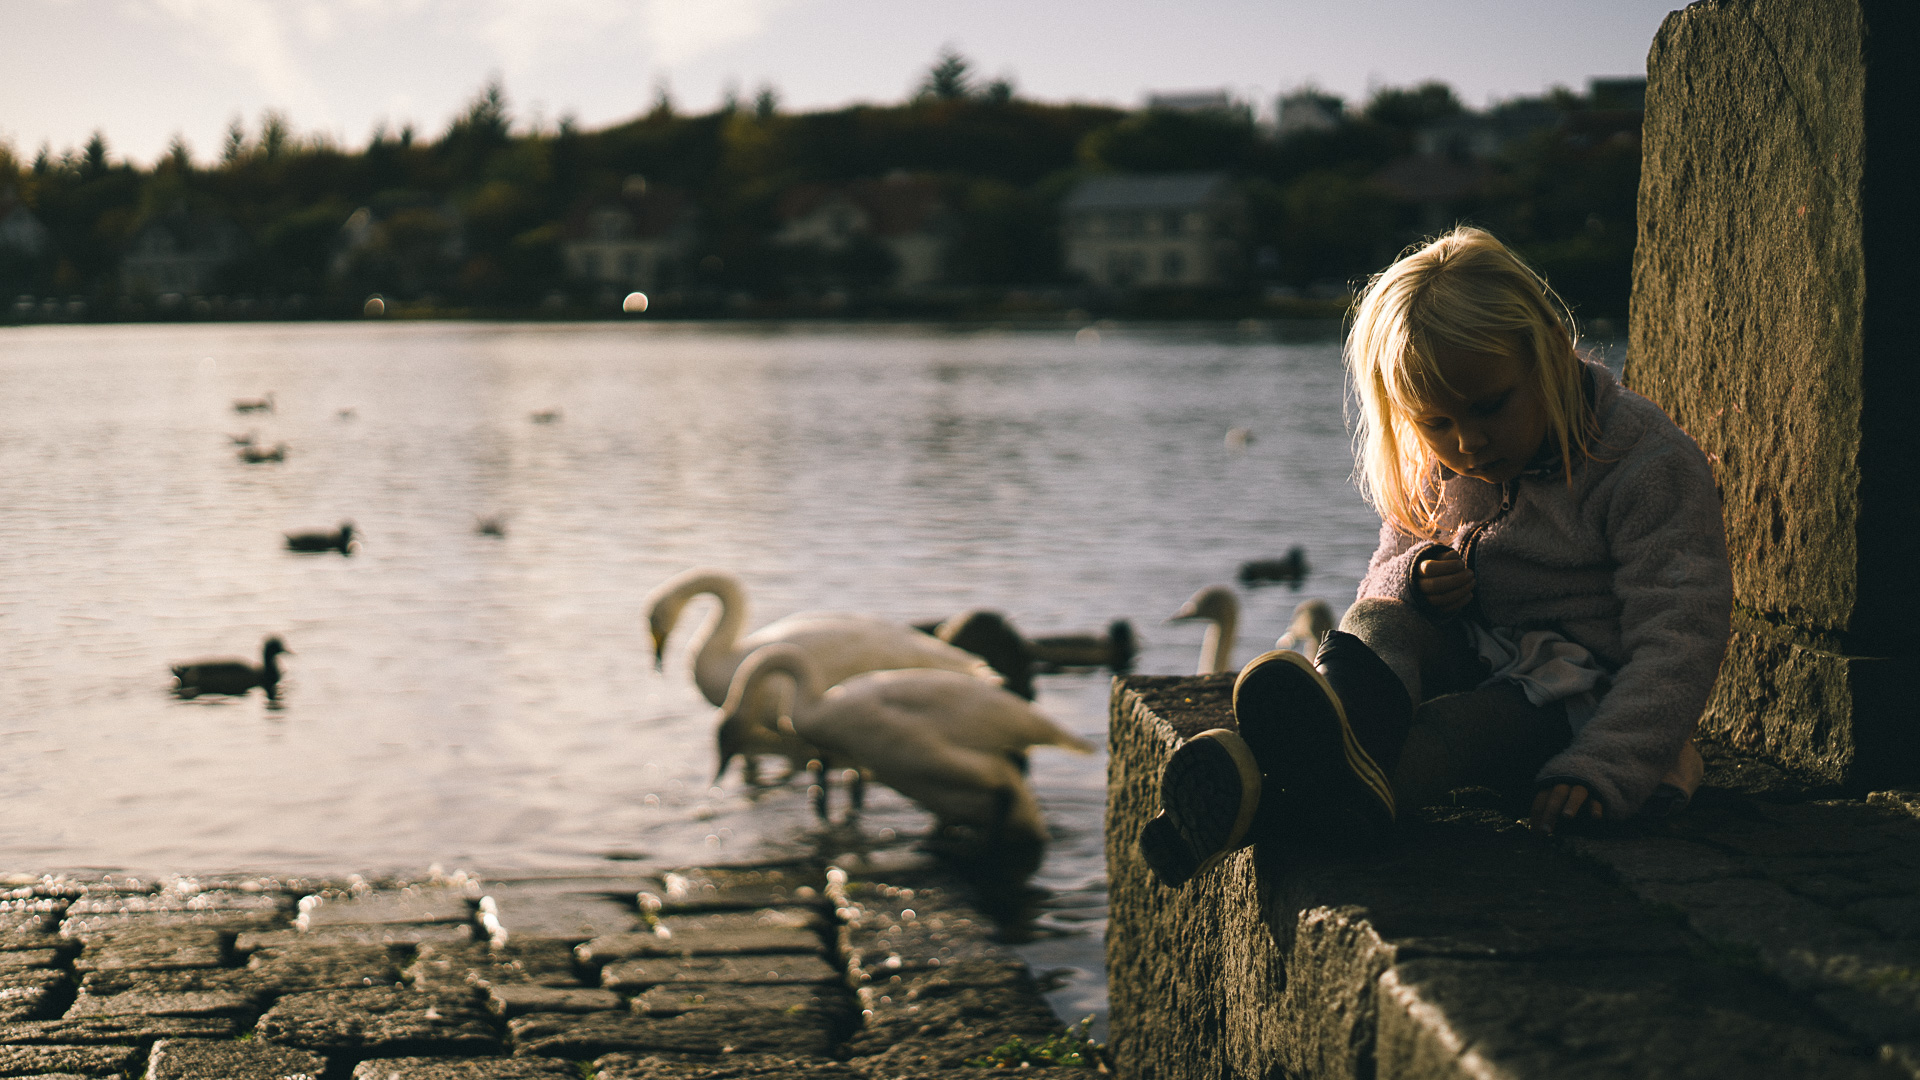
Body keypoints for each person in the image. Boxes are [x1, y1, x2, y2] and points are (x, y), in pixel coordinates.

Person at [1140, 227, 1732, 889]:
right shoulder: (1440, 465)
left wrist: (1602, 769)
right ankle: (1334, 733)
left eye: (1490, 407)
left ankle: (1276, 793)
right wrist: (1416, 582)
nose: (1469, 442)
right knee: (1380, 622)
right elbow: (1380, 582)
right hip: (1470, 655)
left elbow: (1679, 640)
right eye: (1436, 422)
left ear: (1549, 354)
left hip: (1573, 703)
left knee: (1457, 730)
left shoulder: (1644, 465)